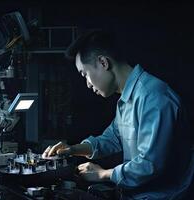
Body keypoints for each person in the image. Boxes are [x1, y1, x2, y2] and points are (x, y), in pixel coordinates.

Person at [42, 30, 194, 199]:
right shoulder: (128, 98)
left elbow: (150, 164)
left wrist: (103, 174)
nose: (87, 84)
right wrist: (72, 149)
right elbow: (112, 138)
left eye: (85, 74)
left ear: (103, 62)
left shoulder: (154, 98)